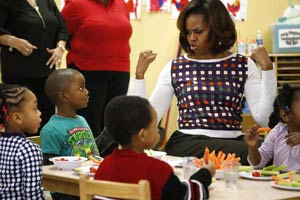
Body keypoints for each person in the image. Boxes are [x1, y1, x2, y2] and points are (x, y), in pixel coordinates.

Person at [131, 0, 276, 165]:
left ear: (217, 30)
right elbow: (147, 119)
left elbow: (265, 120)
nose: (192, 38)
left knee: (268, 150)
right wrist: (139, 76)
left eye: (199, 31)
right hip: (188, 143)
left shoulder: (243, 64)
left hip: (233, 140)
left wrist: (267, 70)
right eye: (188, 32)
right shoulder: (175, 67)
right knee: (255, 152)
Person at [94, 96, 215, 200]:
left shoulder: (104, 167)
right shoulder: (158, 170)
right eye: (154, 125)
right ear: (142, 135)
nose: (158, 130)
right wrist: (205, 173)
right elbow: (189, 196)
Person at [61, 0, 132, 137]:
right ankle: (89, 157)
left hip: (120, 70)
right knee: (91, 122)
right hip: (87, 70)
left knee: (115, 121)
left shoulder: (121, 4)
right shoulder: (76, 5)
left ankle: (111, 157)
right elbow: (61, 34)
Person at [0, 0, 68, 135]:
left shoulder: (47, 1)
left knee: (46, 118)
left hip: (47, 73)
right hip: (19, 74)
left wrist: (60, 48)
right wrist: (14, 41)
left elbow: (62, 28)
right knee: (21, 119)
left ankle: (45, 153)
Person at [40, 69, 99, 200]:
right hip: (66, 191)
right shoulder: (51, 129)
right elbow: (48, 166)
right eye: (81, 88)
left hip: (88, 182)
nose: (87, 91)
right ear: (64, 96)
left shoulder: (81, 120)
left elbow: (93, 152)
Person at [0, 84, 44, 199]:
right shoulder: (28, 149)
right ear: (17, 118)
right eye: (35, 109)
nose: (39, 113)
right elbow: (32, 193)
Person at [245, 84, 300, 172]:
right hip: (279, 183)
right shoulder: (278, 131)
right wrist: (253, 146)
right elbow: (258, 163)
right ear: (285, 115)